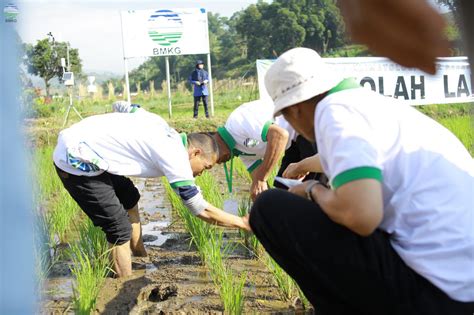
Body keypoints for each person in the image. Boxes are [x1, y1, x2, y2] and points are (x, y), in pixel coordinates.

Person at [249, 47, 474, 314]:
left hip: (436, 294)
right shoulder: (372, 105)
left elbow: (360, 215)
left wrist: (310, 189)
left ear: (293, 110)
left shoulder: (335, 112)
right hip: (461, 284)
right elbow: (355, 157)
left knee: (268, 207)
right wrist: (302, 165)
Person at [53, 112, 251, 278]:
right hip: (76, 159)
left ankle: (139, 253)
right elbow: (199, 208)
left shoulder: (165, 128)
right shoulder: (175, 155)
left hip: (84, 144)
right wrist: (242, 222)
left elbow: (126, 107)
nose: (201, 172)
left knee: (130, 196)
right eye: (206, 167)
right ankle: (124, 283)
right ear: (195, 152)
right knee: (118, 228)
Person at [207, 100, 318, 200]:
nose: (219, 163)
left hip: (306, 125)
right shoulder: (238, 151)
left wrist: (260, 179)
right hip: (293, 141)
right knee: (283, 189)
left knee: (313, 187)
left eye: (212, 162)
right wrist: (261, 199)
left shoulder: (238, 123)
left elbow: (279, 136)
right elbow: (259, 181)